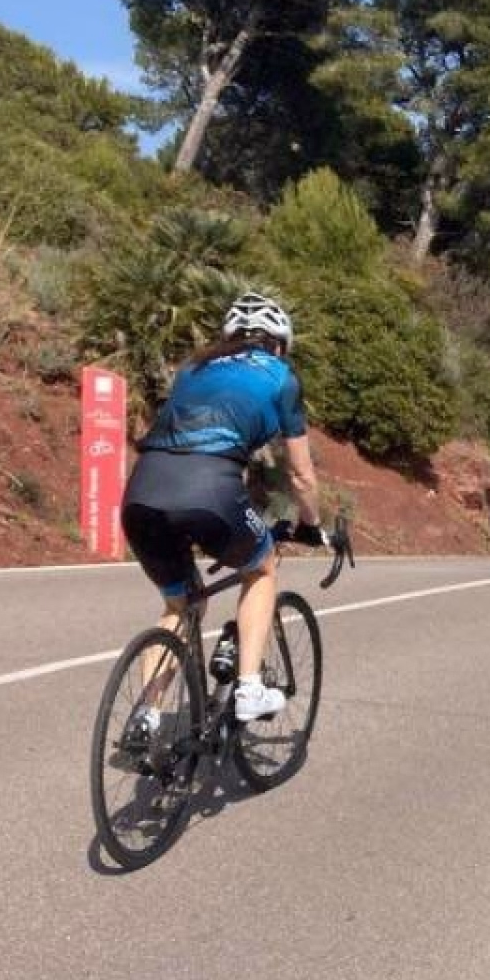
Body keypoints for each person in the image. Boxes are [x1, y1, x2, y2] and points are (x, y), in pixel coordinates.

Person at [119, 291, 327, 738]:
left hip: (142, 489)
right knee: (263, 568)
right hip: (210, 489)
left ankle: (146, 715)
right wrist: (312, 525)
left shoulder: (192, 368)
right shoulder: (281, 377)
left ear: (229, 338)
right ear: (279, 343)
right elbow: (303, 477)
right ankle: (249, 688)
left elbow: (193, 435)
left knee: (180, 602)